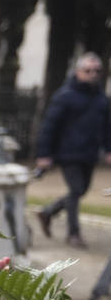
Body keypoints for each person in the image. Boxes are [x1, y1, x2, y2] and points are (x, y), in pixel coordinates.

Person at [34, 52, 111, 250]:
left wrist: (109, 150)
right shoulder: (65, 96)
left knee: (81, 190)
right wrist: (44, 154)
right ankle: (73, 234)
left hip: (89, 153)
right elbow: (50, 126)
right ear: (78, 71)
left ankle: (48, 212)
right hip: (68, 153)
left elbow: (106, 128)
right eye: (88, 70)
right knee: (76, 191)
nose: (93, 74)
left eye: (97, 71)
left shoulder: (101, 98)